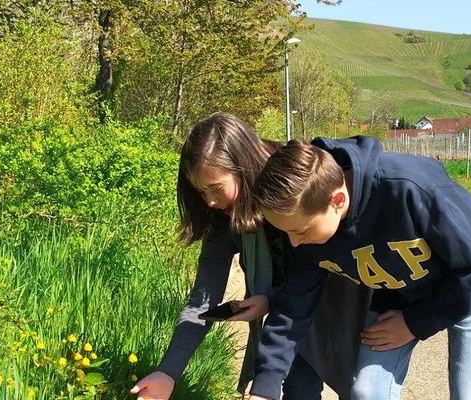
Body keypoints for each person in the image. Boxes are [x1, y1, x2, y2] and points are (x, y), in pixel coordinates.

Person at [130, 113, 371, 400]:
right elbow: (201, 302)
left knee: (362, 390)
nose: (209, 200)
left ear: (242, 166)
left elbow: (322, 268)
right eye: (201, 191)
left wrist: (274, 299)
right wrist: (167, 372)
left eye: (216, 188)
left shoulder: (296, 187)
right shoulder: (221, 217)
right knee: (296, 387)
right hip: (288, 318)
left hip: (339, 304)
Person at [248, 136, 471, 400]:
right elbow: (294, 306)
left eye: (300, 231)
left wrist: (414, 324)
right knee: (367, 392)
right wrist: (267, 384)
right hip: (396, 289)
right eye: (286, 232)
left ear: (337, 200)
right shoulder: (304, 228)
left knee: (469, 393)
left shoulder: (409, 187)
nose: (294, 242)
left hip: (469, 287)